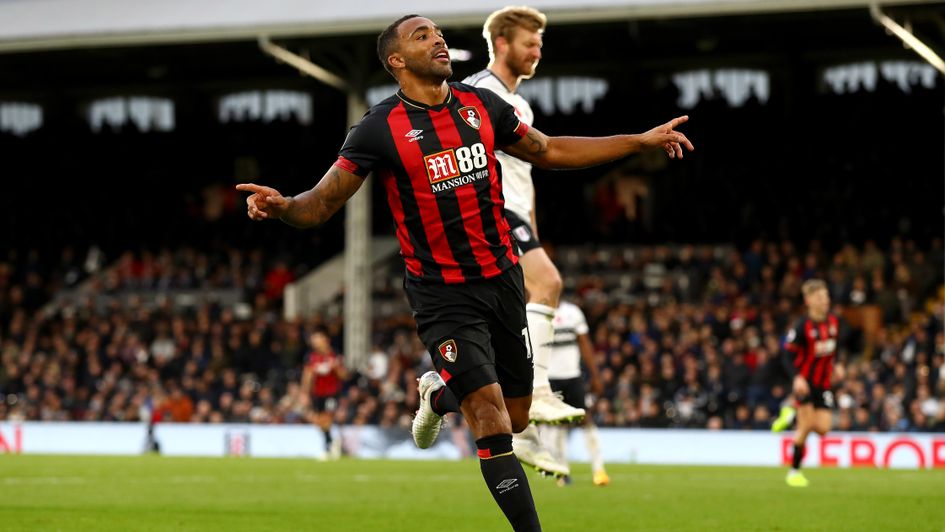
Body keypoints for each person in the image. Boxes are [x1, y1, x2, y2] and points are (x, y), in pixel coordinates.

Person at [237, 13, 692, 531]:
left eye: (439, 34)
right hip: (442, 295)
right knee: (494, 424)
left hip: (502, 280)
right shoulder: (379, 127)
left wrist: (639, 140)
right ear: (396, 61)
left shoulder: (482, 107)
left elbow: (549, 150)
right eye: (422, 36)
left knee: (517, 416)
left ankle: (438, 394)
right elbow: (320, 204)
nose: (439, 41)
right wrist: (284, 205)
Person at [463, 6, 580, 479]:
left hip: (515, 216)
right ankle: (542, 387)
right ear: (503, 44)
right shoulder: (478, 93)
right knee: (549, 284)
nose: (537, 51)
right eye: (530, 43)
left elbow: (525, 177)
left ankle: (512, 427)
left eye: (540, 44)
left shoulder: (521, 105)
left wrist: (532, 230)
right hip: (490, 213)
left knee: (506, 330)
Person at [781, 279, 845, 487]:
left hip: (824, 384)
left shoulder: (834, 322)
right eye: (820, 297)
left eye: (826, 296)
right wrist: (797, 377)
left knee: (823, 429)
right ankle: (794, 472)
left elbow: (836, 348)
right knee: (806, 425)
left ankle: (790, 413)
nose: (825, 301)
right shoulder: (801, 326)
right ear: (808, 300)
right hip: (805, 383)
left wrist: (839, 364)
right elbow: (786, 355)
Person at [540, 299, 609, 487]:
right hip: (550, 379)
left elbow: (585, 344)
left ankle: (599, 469)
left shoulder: (573, 312)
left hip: (573, 376)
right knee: (556, 425)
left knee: (585, 420)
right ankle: (562, 471)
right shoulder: (537, 313)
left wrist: (595, 375)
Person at [300, 330, 346, 460]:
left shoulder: (335, 355)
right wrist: (304, 393)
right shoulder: (311, 357)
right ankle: (333, 442)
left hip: (332, 392)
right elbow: (307, 376)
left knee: (327, 418)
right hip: (317, 393)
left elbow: (344, 375)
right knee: (319, 421)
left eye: (317, 339)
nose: (314, 342)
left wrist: (336, 367)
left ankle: (327, 447)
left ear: (325, 340)